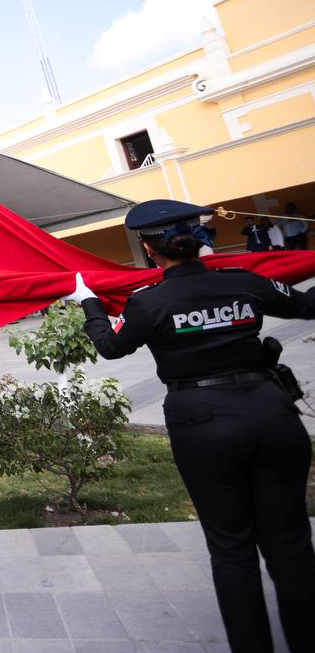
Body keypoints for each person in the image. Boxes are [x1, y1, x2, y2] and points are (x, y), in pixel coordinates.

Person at [66, 200, 315, 652]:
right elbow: (306, 305)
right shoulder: (244, 283)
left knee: (231, 547)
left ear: (148, 248)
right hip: (271, 413)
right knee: (291, 545)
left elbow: (110, 347)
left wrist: (89, 302)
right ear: (200, 240)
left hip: (201, 422)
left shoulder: (148, 303)